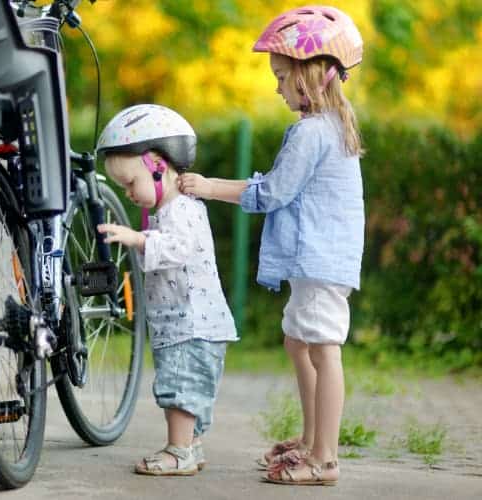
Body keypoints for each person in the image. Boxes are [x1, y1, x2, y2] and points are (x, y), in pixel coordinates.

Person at [178, 6, 365, 486]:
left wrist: (209, 186)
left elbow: (274, 192)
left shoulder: (310, 133)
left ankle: (324, 458)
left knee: (324, 349)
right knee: (297, 340)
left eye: (282, 76)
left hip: (320, 261)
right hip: (323, 260)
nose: (277, 86)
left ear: (314, 77)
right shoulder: (335, 127)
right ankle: (311, 440)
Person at [96, 104, 238, 476]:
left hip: (191, 325)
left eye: (129, 182)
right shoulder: (168, 210)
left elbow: (179, 248)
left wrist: (137, 239)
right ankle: (190, 446)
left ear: (158, 165)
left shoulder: (182, 210)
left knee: (179, 386)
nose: (127, 192)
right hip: (182, 323)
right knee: (184, 386)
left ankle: (179, 451)